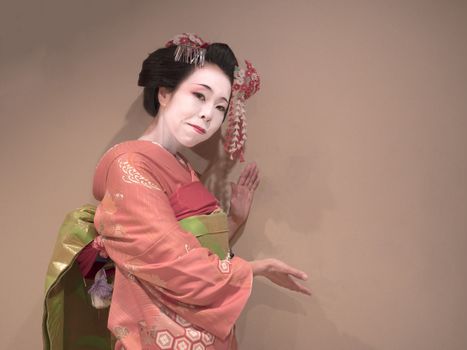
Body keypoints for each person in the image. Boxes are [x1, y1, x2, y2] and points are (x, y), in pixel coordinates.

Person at [43, 33, 310, 350]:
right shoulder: (129, 166)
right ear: (165, 93)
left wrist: (234, 219)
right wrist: (253, 269)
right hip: (162, 337)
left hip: (203, 333)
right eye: (200, 96)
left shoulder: (183, 167)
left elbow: (193, 245)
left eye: (220, 106)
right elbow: (166, 256)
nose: (208, 114)